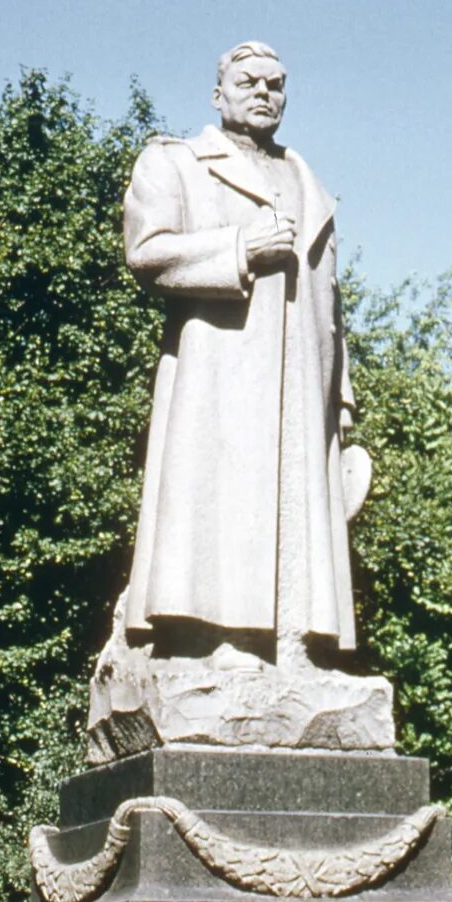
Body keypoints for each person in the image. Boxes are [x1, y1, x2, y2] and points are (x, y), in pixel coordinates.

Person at [115, 42, 364, 669]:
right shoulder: (177, 162)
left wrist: (341, 396)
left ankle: (297, 644)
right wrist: (238, 249)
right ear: (216, 92)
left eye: (275, 84)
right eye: (247, 80)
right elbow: (146, 252)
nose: (262, 92)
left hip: (305, 379)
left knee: (300, 504)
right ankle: (217, 639)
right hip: (223, 368)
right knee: (221, 493)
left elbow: (332, 305)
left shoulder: (309, 182)